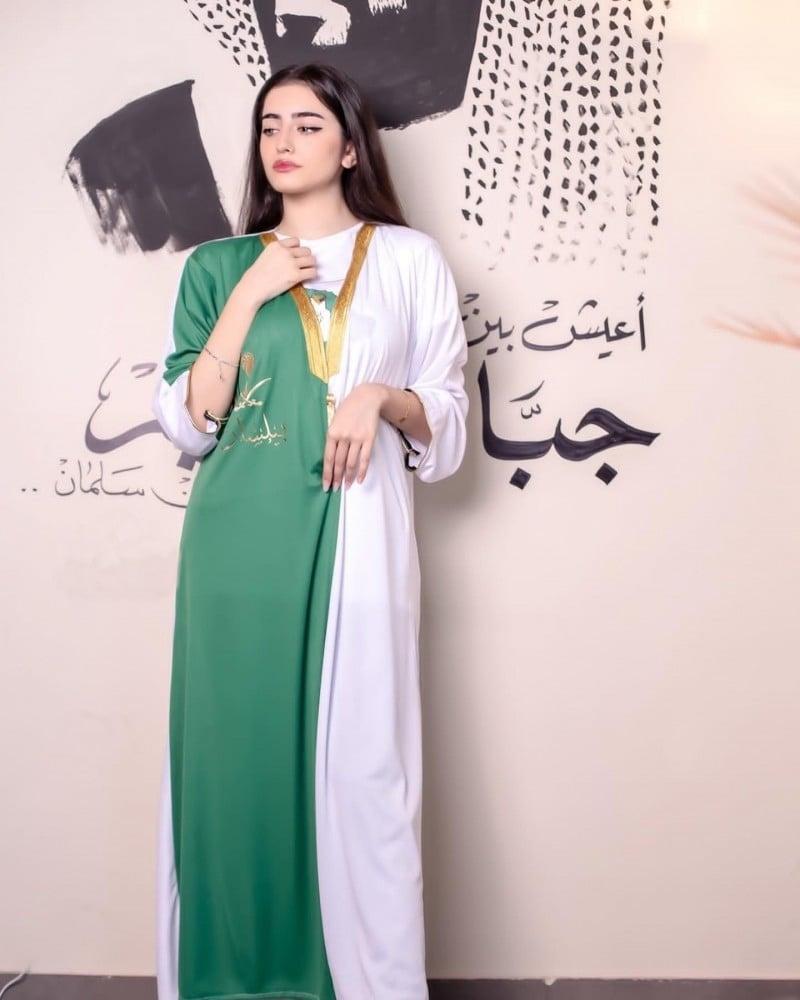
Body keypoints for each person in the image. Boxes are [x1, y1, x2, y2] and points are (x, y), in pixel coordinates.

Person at [152, 61, 469, 1000]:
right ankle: (230, 979)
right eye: (269, 126)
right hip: (234, 553)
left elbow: (449, 419)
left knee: (364, 771)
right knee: (232, 767)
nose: (282, 142)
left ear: (352, 145)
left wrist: (379, 396)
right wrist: (249, 292)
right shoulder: (216, 266)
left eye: (307, 124)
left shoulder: (408, 260)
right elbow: (190, 424)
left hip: (359, 539)